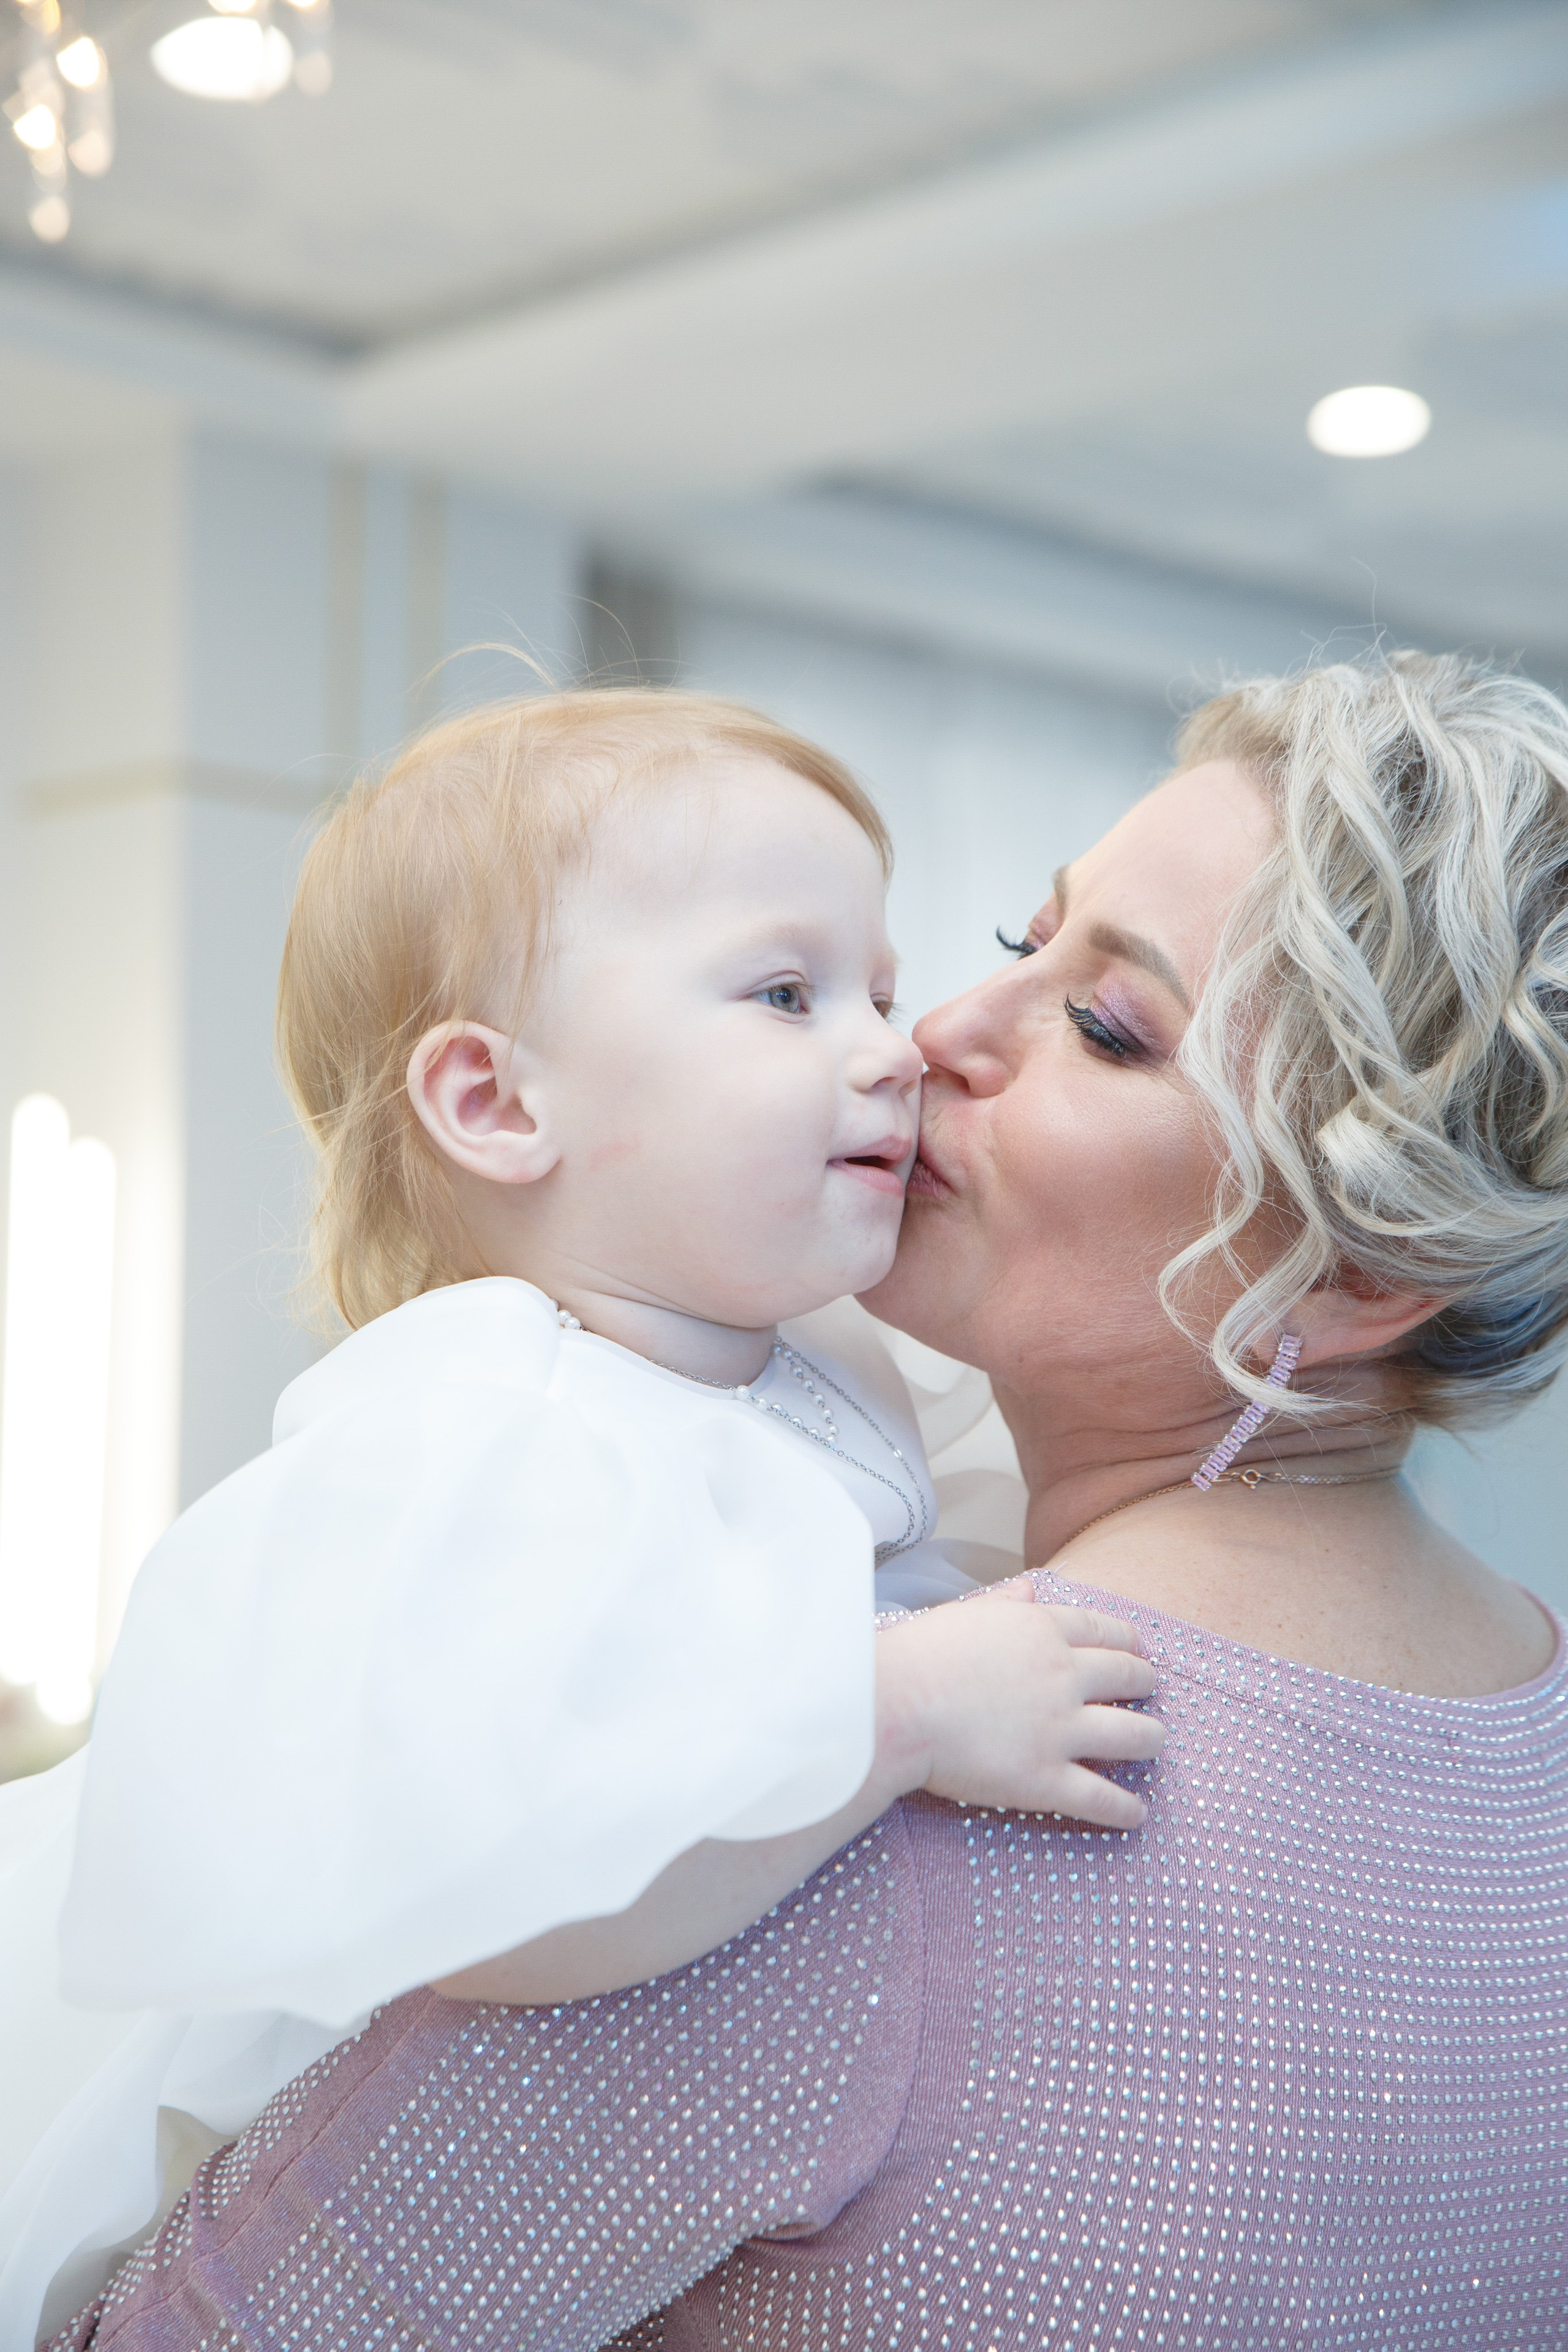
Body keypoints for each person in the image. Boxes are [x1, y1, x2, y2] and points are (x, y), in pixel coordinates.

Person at [48, 650, 1568, 2350]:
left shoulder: (859, 1816)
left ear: (1354, 1274)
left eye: (1104, 1027)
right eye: (1021, 945)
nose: (933, 1039)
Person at [0, 691, 1162, 2347]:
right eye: (786, 992)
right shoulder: (502, 1436)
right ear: (495, 1104)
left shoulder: (813, 1368)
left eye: (882, 986)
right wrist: (895, 1715)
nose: (896, 1044)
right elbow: (527, 1908)